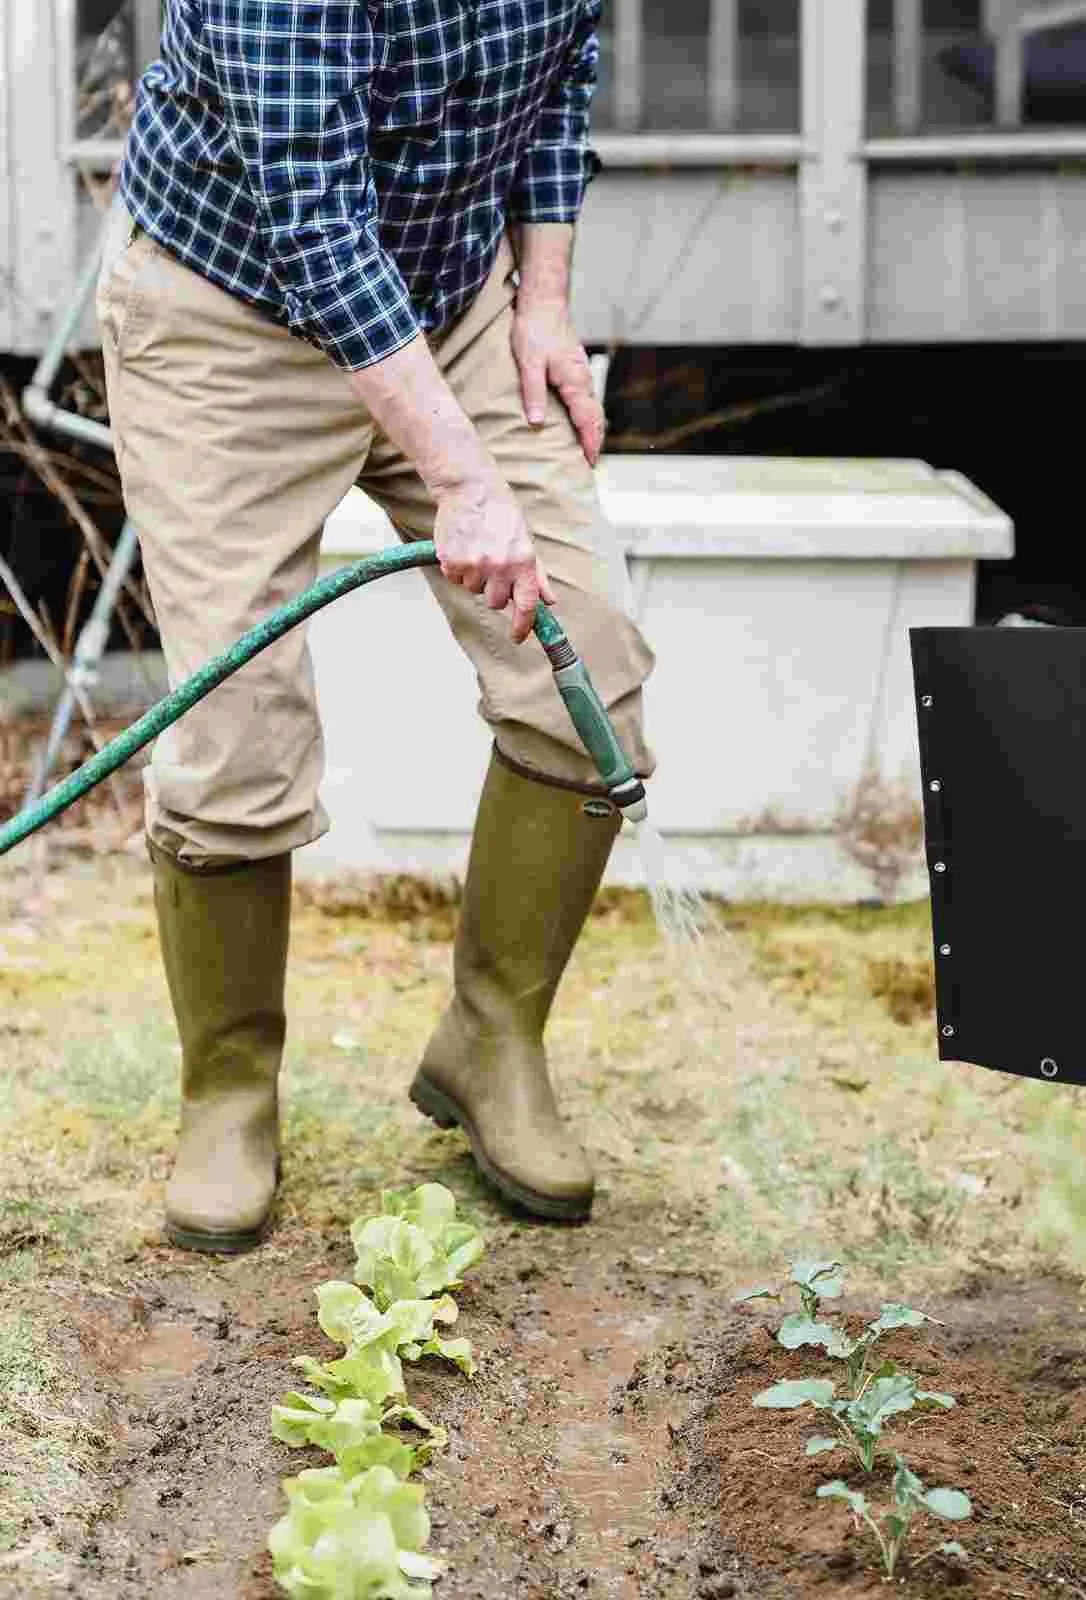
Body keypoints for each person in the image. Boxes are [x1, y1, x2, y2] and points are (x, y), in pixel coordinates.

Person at [95, 0, 654, 1255]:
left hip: (455, 299)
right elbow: (311, 212)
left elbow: (560, 72)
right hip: (228, 315)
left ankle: (491, 1038)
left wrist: (542, 299)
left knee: (589, 669)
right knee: (236, 734)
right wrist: (461, 478)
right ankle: (230, 1091)